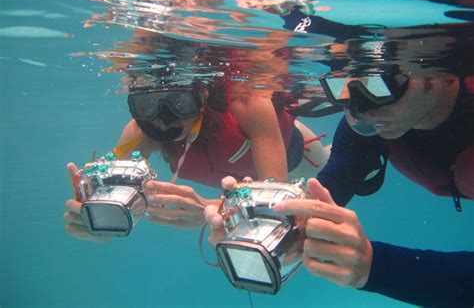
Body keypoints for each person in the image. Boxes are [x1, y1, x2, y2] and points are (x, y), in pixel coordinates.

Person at [206, 69, 474, 306]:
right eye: (344, 85)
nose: (360, 109)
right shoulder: (368, 125)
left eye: (380, 81)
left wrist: (373, 265)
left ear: (443, 73)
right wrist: (257, 216)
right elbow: (327, 188)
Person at [64, 76, 330, 240]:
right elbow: (111, 194)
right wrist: (94, 220)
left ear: (202, 95)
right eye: (147, 105)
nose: (163, 119)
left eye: (179, 104)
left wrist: (208, 209)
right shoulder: (143, 132)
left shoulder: (249, 104)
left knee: (330, 175)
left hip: (298, 155)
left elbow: (276, 200)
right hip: (238, 185)